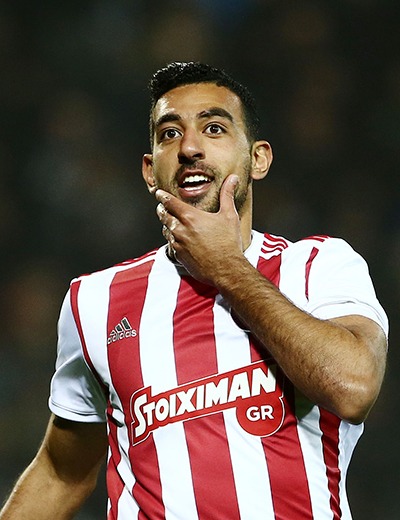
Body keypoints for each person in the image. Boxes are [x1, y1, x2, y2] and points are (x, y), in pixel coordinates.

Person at [0, 62, 388, 520]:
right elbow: (61, 473)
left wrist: (226, 268)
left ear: (258, 159)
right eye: (169, 134)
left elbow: (352, 388)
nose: (189, 147)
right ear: (150, 171)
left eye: (214, 128)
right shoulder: (95, 301)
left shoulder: (319, 266)